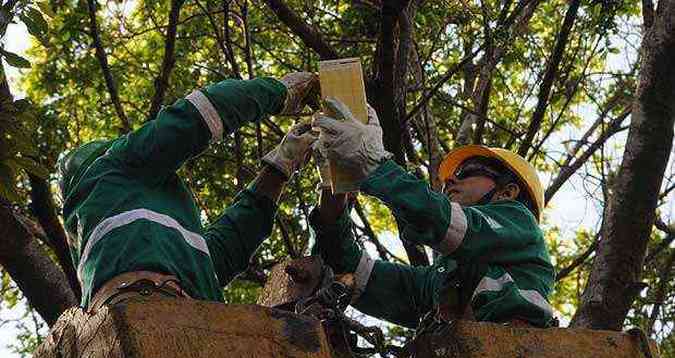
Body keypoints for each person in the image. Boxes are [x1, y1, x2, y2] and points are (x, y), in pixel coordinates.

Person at [57, 73, 319, 311]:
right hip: (154, 311)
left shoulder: (129, 239)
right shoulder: (113, 166)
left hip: (185, 317)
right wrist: (281, 91)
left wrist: (282, 164)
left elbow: (227, 248)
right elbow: (196, 116)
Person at [309, 99, 555, 329]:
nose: (450, 180)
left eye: (467, 171)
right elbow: (349, 270)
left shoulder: (519, 223)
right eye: (447, 180)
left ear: (507, 193)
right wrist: (334, 186)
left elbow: (447, 222)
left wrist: (372, 161)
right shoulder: (439, 282)